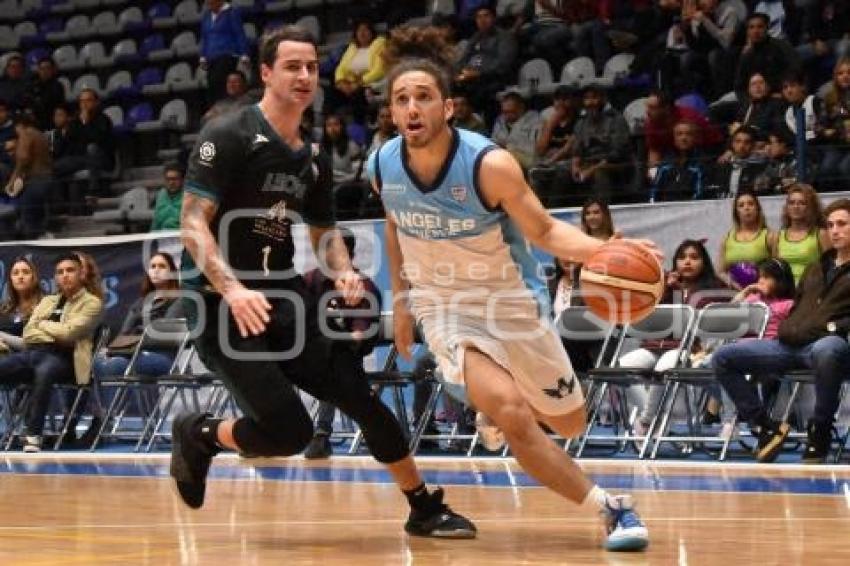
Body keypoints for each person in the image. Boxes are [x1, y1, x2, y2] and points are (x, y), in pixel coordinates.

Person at [170, 26, 475, 539]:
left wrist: (345, 271)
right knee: (288, 432)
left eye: (312, 67)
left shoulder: (310, 157)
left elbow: (324, 232)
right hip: (220, 302)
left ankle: (422, 505)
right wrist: (233, 289)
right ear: (265, 73)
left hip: (283, 294)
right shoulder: (228, 135)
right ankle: (199, 433)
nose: (305, 76)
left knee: (360, 396)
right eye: (292, 66)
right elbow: (192, 222)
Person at [371, 25, 657, 551]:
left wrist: (600, 250)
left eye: (424, 97)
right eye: (401, 99)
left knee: (568, 421)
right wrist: (403, 300)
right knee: (512, 411)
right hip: (445, 308)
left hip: (511, 302)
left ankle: (494, 402)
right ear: (392, 110)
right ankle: (611, 509)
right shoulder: (382, 163)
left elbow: (546, 231)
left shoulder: (490, 165)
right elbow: (395, 225)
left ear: (449, 107)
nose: (412, 109)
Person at [713, 199, 850, 464]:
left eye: (842, 224)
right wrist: (790, 327)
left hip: (829, 345)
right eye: (831, 225)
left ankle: (819, 430)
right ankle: (766, 426)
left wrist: (833, 328)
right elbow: (799, 305)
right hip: (790, 344)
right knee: (723, 357)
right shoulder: (815, 267)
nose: (834, 230)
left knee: (827, 348)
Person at [620, 239, 729, 437]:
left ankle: (645, 421)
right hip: (653, 345)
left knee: (663, 368)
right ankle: (657, 419)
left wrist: (678, 289)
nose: (687, 262)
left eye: (694, 257)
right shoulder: (663, 285)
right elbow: (650, 317)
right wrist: (667, 289)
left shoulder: (713, 288)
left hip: (688, 349)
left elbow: (692, 319)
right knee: (621, 370)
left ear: (704, 262)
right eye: (682, 257)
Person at [0, 253, 102, 452]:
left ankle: (33, 435)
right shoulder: (48, 301)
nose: (65, 275)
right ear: (55, 277)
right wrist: (53, 330)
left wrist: (43, 325)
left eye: (70, 270)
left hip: (66, 359)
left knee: (45, 372)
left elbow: (71, 334)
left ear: (81, 274)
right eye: (60, 272)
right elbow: (29, 333)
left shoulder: (92, 303)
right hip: (33, 353)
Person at [302, 228, 381, 459]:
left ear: (350, 255)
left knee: (334, 365)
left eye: (336, 251)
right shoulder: (309, 280)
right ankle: (268, 429)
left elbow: (359, 336)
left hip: (347, 352)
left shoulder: (363, 288)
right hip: (308, 351)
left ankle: (322, 433)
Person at [93, 252, 183, 378]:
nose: (156, 270)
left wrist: (138, 335)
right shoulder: (140, 303)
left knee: (114, 366)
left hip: (162, 356)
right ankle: (125, 398)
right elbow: (124, 333)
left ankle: (128, 398)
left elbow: (163, 335)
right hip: (133, 352)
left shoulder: (179, 300)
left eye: (162, 266)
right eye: (153, 266)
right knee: (97, 362)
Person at [570, 85, 632, 204]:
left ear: (603, 99)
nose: (590, 102)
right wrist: (575, 166)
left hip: (612, 165)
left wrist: (591, 170)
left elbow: (616, 154)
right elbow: (577, 151)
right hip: (587, 163)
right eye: (587, 98)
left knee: (600, 174)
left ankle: (602, 212)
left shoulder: (616, 120)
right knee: (560, 172)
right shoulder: (581, 123)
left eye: (594, 98)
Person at [769, 184, 830, 285]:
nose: (796, 207)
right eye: (791, 203)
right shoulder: (777, 236)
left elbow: (830, 269)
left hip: (811, 292)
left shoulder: (821, 234)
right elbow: (775, 271)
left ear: (811, 207)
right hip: (785, 294)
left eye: (802, 203)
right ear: (787, 207)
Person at [4, 113, 53, 239]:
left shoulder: (26, 134)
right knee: (38, 216)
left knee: (29, 219)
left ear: (18, 125)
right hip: (47, 178)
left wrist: (12, 180)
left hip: (35, 181)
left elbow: (23, 158)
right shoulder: (40, 135)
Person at [328, 19, 386, 124]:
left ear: (371, 32)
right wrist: (340, 82)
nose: (362, 33)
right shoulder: (352, 47)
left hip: (370, 84)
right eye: (359, 30)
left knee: (358, 95)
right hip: (350, 84)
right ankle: (332, 126)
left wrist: (358, 83)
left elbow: (379, 70)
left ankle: (359, 127)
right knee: (331, 93)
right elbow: (341, 68)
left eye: (365, 30)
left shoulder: (380, 44)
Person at [717, 192, 773, 290]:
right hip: (734, 293)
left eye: (750, 204)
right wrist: (732, 283)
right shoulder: (727, 237)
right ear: (736, 212)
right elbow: (720, 271)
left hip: (761, 292)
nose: (746, 208)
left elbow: (779, 269)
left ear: (757, 209)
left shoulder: (769, 236)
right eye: (741, 205)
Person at [199, 0, 251, 104]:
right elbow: (205, 37)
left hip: (227, 54)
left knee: (221, 84)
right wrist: (203, 55)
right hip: (211, 57)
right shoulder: (207, 16)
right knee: (212, 86)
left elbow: (239, 33)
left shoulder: (231, 13)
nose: (209, 5)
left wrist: (244, 53)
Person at [649, 120, 708, 202]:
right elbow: (654, 192)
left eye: (688, 134)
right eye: (679, 134)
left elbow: (700, 194)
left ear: (695, 137)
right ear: (674, 138)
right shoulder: (665, 164)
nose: (683, 138)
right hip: (664, 209)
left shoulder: (701, 163)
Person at [0, 256, 43, 355]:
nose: (20, 276)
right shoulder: (4, 308)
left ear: (33, 277)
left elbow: (34, 345)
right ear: (10, 279)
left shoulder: (44, 306)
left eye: (26, 272)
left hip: (30, 360)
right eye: (15, 273)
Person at [818, 57, 850, 191]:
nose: (845, 76)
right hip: (837, 142)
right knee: (826, 169)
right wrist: (825, 131)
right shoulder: (829, 96)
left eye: (849, 72)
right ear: (835, 76)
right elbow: (821, 123)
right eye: (841, 73)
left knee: (844, 168)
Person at [709, 126, 767, 198]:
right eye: (738, 141)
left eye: (747, 142)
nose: (741, 146)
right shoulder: (721, 166)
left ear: (753, 145)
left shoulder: (760, 168)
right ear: (732, 144)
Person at [27, 57, 66, 131]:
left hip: (51, 120)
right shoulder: (32, 85)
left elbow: (58, 106)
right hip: (34, 121)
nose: (45, 71)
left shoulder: (58, 86)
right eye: (42, 68)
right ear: (38, 70)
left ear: (53, 70)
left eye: (47, 68)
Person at [151, 163, 185, 231]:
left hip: (182, 235)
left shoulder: (189, 196)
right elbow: (155, 223)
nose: (171, 182)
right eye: (168, 179)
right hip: (162, 236)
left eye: (175, 179)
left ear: (182, 180)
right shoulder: (161, 195)